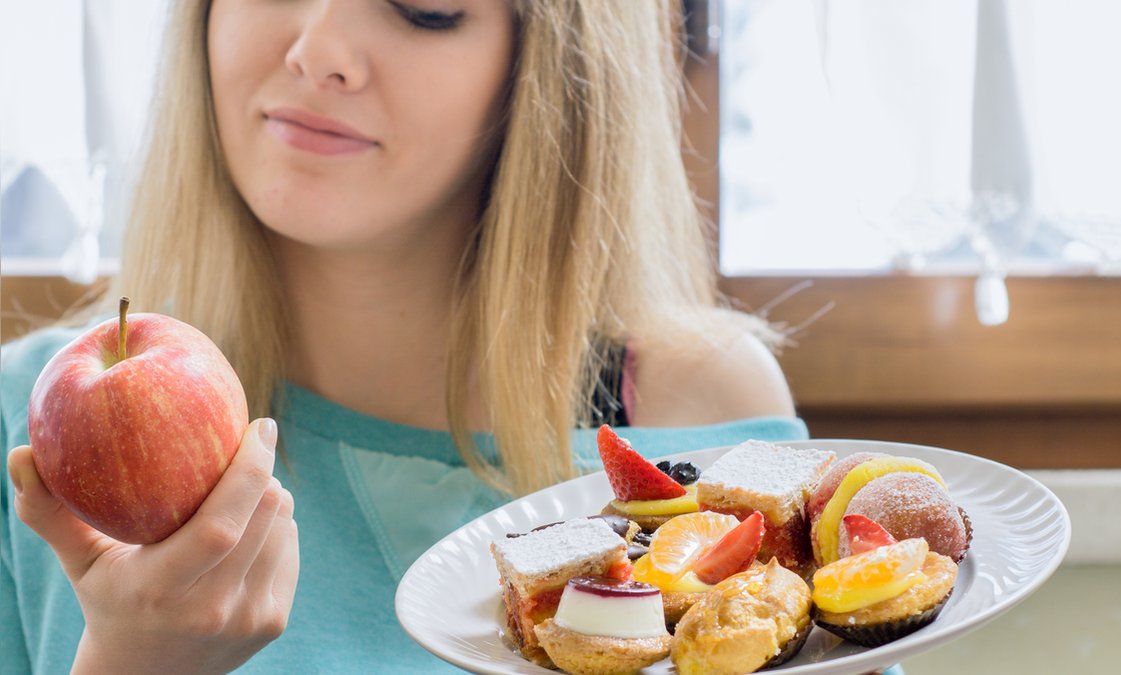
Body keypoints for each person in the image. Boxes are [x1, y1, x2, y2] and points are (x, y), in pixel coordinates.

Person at [1, 1, 810, 672]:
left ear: (546, 61)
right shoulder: (26, 426)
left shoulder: (706, 405)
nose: (319, 50)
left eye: (419, 5)